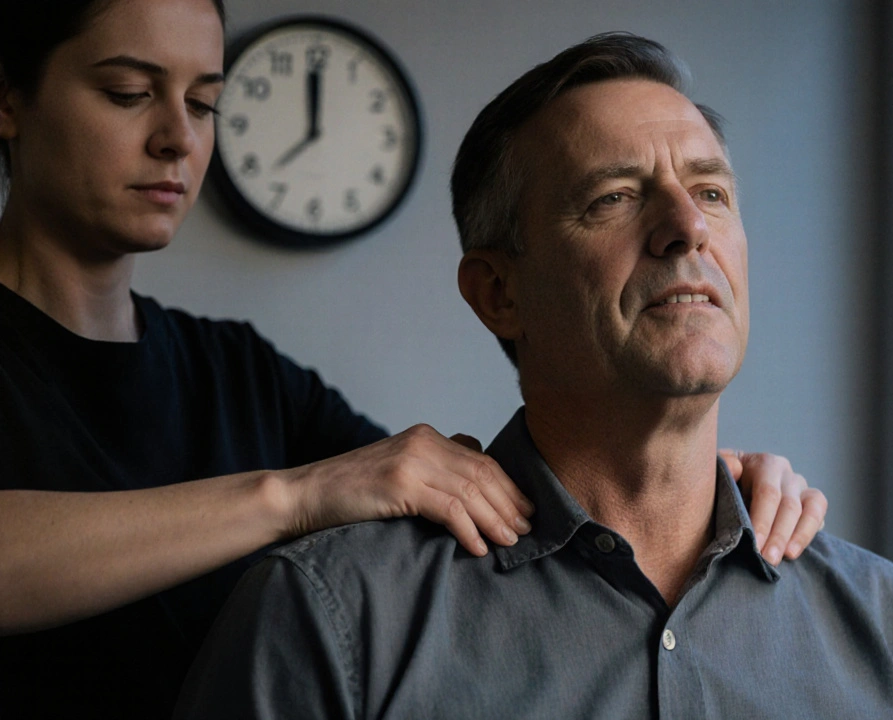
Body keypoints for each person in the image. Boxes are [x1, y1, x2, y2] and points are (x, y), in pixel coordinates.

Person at [0, 3, 827, 717]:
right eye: (128, 94)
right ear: (9, 100)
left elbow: (459, 485)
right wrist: (291, 496)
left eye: (206, 102)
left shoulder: (236, 371)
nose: (178, 137)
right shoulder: (297, 526)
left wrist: (687, 490)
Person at [175, 32, 893, 719]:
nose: (687, 226)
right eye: (614, 198)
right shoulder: (333, 616)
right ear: (500, 293)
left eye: (710, 190)